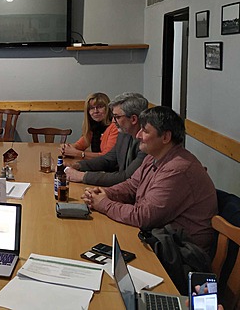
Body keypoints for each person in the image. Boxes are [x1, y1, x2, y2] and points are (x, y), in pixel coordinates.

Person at [82, 106, 217, 255]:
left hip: (179, 253)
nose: (138, 135)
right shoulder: (153, 157)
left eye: (145, 131)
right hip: (159, 239)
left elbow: (143, 217)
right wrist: (104, 193)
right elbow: (131, 186)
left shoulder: (178, 169)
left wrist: (103, 204)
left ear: (165, 137)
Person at [64, 92, 149, 186]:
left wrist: (82, 176)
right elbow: (108, 159)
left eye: (117, 117)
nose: (113, 121)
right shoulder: (124, 134)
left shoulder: (148, 143)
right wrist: (78, 165)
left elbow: (126, 177)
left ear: (133, 119)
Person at [60, 92, 118, 159]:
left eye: (100, 107)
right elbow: (80, 145)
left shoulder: (115, 126)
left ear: (108, 108)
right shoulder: (94, 125)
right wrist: (67, 148)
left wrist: (78, 153)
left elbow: (107, 157)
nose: (95, 111)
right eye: (91, 108)